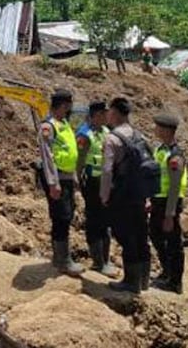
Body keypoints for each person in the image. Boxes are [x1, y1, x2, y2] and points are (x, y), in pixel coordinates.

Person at [101, 97, 151, 294]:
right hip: (139, 194)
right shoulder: (140, 136)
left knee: (126, 236)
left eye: (109, 112)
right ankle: (144, 280)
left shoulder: (112, 139)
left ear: (114, 113)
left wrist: (104, 195)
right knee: (141, 235)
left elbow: (107, 171)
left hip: (122, 196)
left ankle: (131, 281)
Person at [39, 89, 83, 276]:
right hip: (56, 177)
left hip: (66, 176)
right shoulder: (48, 126)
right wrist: (53, 183)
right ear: (63, 105)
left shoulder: (64, 123)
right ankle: (63, 260)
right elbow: (47, 156)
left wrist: (73, 176)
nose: (70, 109)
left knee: (66, 215)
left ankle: (60, 257)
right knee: (61, 217)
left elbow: (70, 151)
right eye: (68, 106)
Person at [76, 101, 118, 277]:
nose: (108, 116)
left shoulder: (106, 131)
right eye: (104, 114)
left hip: (105, 182)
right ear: (97, 115)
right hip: (92, 182)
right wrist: (77, 182)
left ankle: (105, 259)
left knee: (105, 220)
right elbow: (79, 161)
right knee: (95, 220)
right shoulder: (85, 135)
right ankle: (98, 261)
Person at [149, 111, 187, 294]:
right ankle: (167, 271)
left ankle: (175, 282)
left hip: (169, 202)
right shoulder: (160, 150)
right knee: (156, 235)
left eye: (158, 127)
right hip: (158, 200)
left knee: (173, 242)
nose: (154, 129)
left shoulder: (175, 156)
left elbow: (174, 186)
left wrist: (170, 214)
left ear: (166, 130)